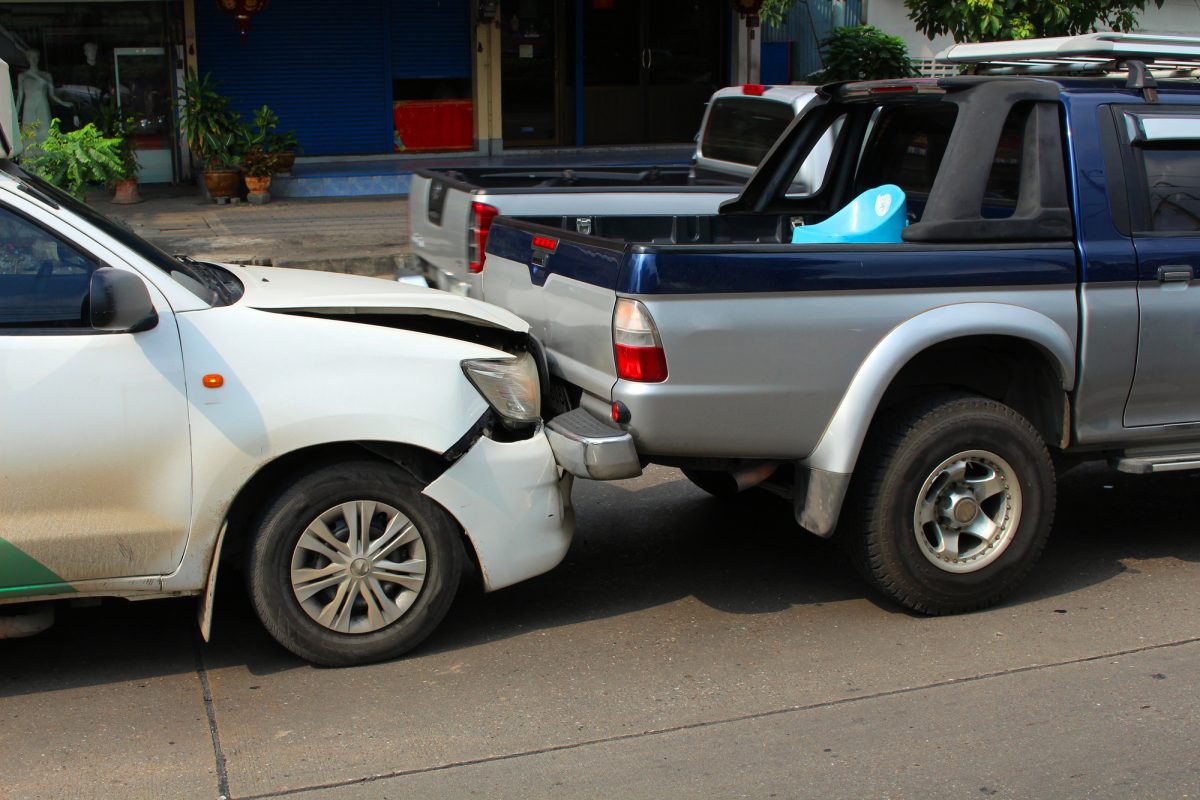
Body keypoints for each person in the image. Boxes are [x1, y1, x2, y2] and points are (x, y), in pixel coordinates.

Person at [16, 49, 72, 144]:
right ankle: (29, 157)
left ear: (38, 59)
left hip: (42, 105)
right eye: (31, 57)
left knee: (45, 131)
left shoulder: (46, 75)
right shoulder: (22, 76)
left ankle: (47, 156)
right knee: (29, 133)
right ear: (27, 59)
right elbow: (20, 97)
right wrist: (15, 114)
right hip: (29, 108)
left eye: (35, 57)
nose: (33, 60)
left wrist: (63, 103)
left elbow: (52, 95)